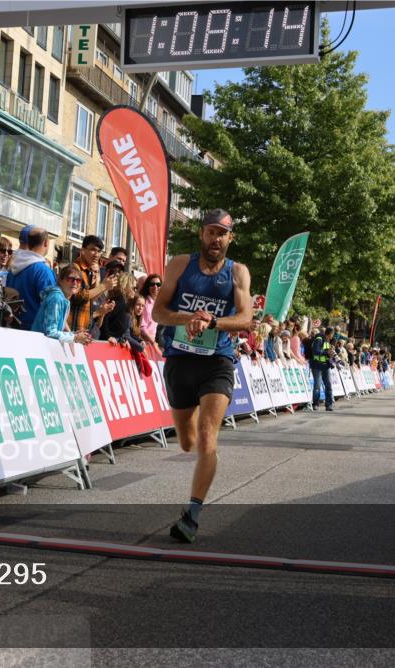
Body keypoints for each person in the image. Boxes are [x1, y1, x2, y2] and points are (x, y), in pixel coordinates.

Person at [152, 209, 252, 543]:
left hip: (217, 361)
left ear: (229, 238)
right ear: (201, 234)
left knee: (209, 436)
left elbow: (246, 319)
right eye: (211, 232)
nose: (216, 239)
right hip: (180, 360)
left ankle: (191, 516)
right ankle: (193, 446)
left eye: (222, 234)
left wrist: (212, 322)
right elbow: (158, 312)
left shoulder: (237, 272)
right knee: (188, 442)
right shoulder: (180, 264)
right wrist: (187, 318)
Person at [6, 225, 57, 330]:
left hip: (14, 328)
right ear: (46, 243)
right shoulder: (43, 271)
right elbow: (52, 306)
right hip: (35, 332)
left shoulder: (12, 267)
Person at [32, 265, 93, 344]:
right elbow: (50, 332)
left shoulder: (64, 299)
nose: (75, 283)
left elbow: (58, 328)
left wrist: (74, 334)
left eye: (78, 280)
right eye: (70, 279)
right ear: (60, 280)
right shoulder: (56, 298)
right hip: (38, 345)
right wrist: (75, 337)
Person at [70, 235, 116, 333]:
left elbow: (90, 299)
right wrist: (103, 286)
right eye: (93, 250)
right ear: (82, 250)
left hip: (83, 329)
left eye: (99, 251)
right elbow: (79, 296)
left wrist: (102, 285)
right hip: (72, 329)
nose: (96, 254)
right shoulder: (75, 269)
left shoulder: (89, 271)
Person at [309, 327, 335, 411]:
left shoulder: (327, 341)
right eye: (332, 334)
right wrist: (326, 352)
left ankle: (329, 405)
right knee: (317, 386)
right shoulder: (319, 339)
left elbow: (326, 353)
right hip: (317, 365)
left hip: (325, 365)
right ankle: (315, 404)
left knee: (328, 385)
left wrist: (331, 356)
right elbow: (315, 351)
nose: (333, 336)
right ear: (330, 334)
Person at [138, 273, 163, 354]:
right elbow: (142, 327)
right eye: (152, 284)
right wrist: (153, 342)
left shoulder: (157, 303)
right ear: (148, 286)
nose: (155, 287)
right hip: (143, 344)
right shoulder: (144, 302)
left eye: (158, 284)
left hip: (152, 344)